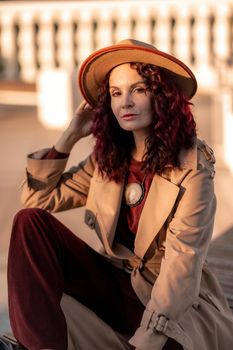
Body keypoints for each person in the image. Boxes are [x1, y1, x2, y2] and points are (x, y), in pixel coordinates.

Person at [7, 39, 233, 350]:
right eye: (116, 93)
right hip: (118, 286)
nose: (125, 102)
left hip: (169, 305)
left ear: (161, 96)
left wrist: (148, 338)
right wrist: (69, 135)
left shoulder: (192, 165)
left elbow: (182, 264)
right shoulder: (108, 159)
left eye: (138, 89)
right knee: (30, 223)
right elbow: (38, 199)